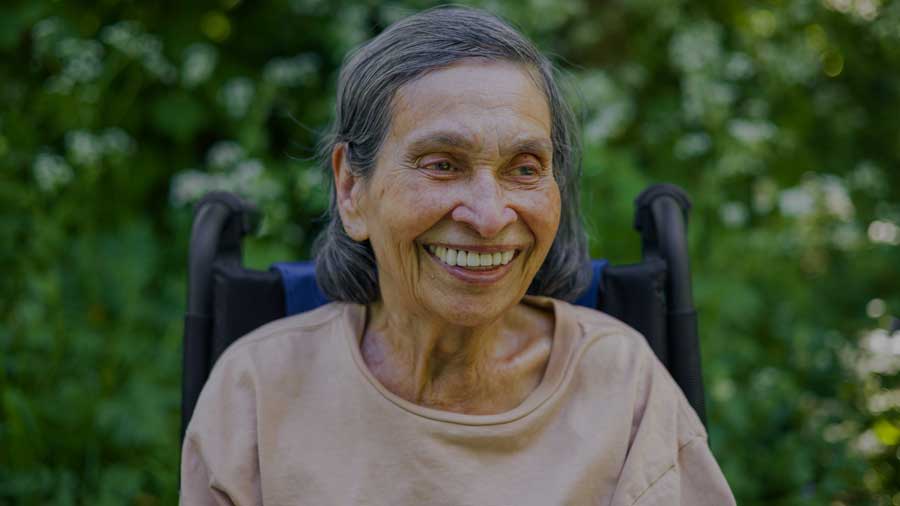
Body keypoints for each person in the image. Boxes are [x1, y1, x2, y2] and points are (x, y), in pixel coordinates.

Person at [180, 6, 736, 505]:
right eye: (442, 164)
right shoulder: (257, 390)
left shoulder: (622, 385)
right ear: (352, 188)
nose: (490, 216)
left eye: (524, 169)